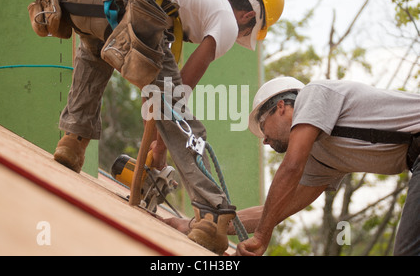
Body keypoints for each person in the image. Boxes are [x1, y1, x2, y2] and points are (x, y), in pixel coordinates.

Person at [41, 0, 284, 255]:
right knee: (176, 109)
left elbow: (154, 79)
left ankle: (73, 139)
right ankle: (211, 214)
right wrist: (161, 144)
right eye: (250, 29)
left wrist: (157, 147)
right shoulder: (224, 21)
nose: (243, 35)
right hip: (131, 5)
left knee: (93, 52)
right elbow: (176, 93)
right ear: (247, 16)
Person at [165, 76, 420, 255]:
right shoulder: (323, 157)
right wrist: (197, 225)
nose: (264, 140)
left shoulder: (314, 93)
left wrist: (262, 237)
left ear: (282, 107)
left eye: (263, 126)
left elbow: (291, 166)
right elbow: (273, 211)